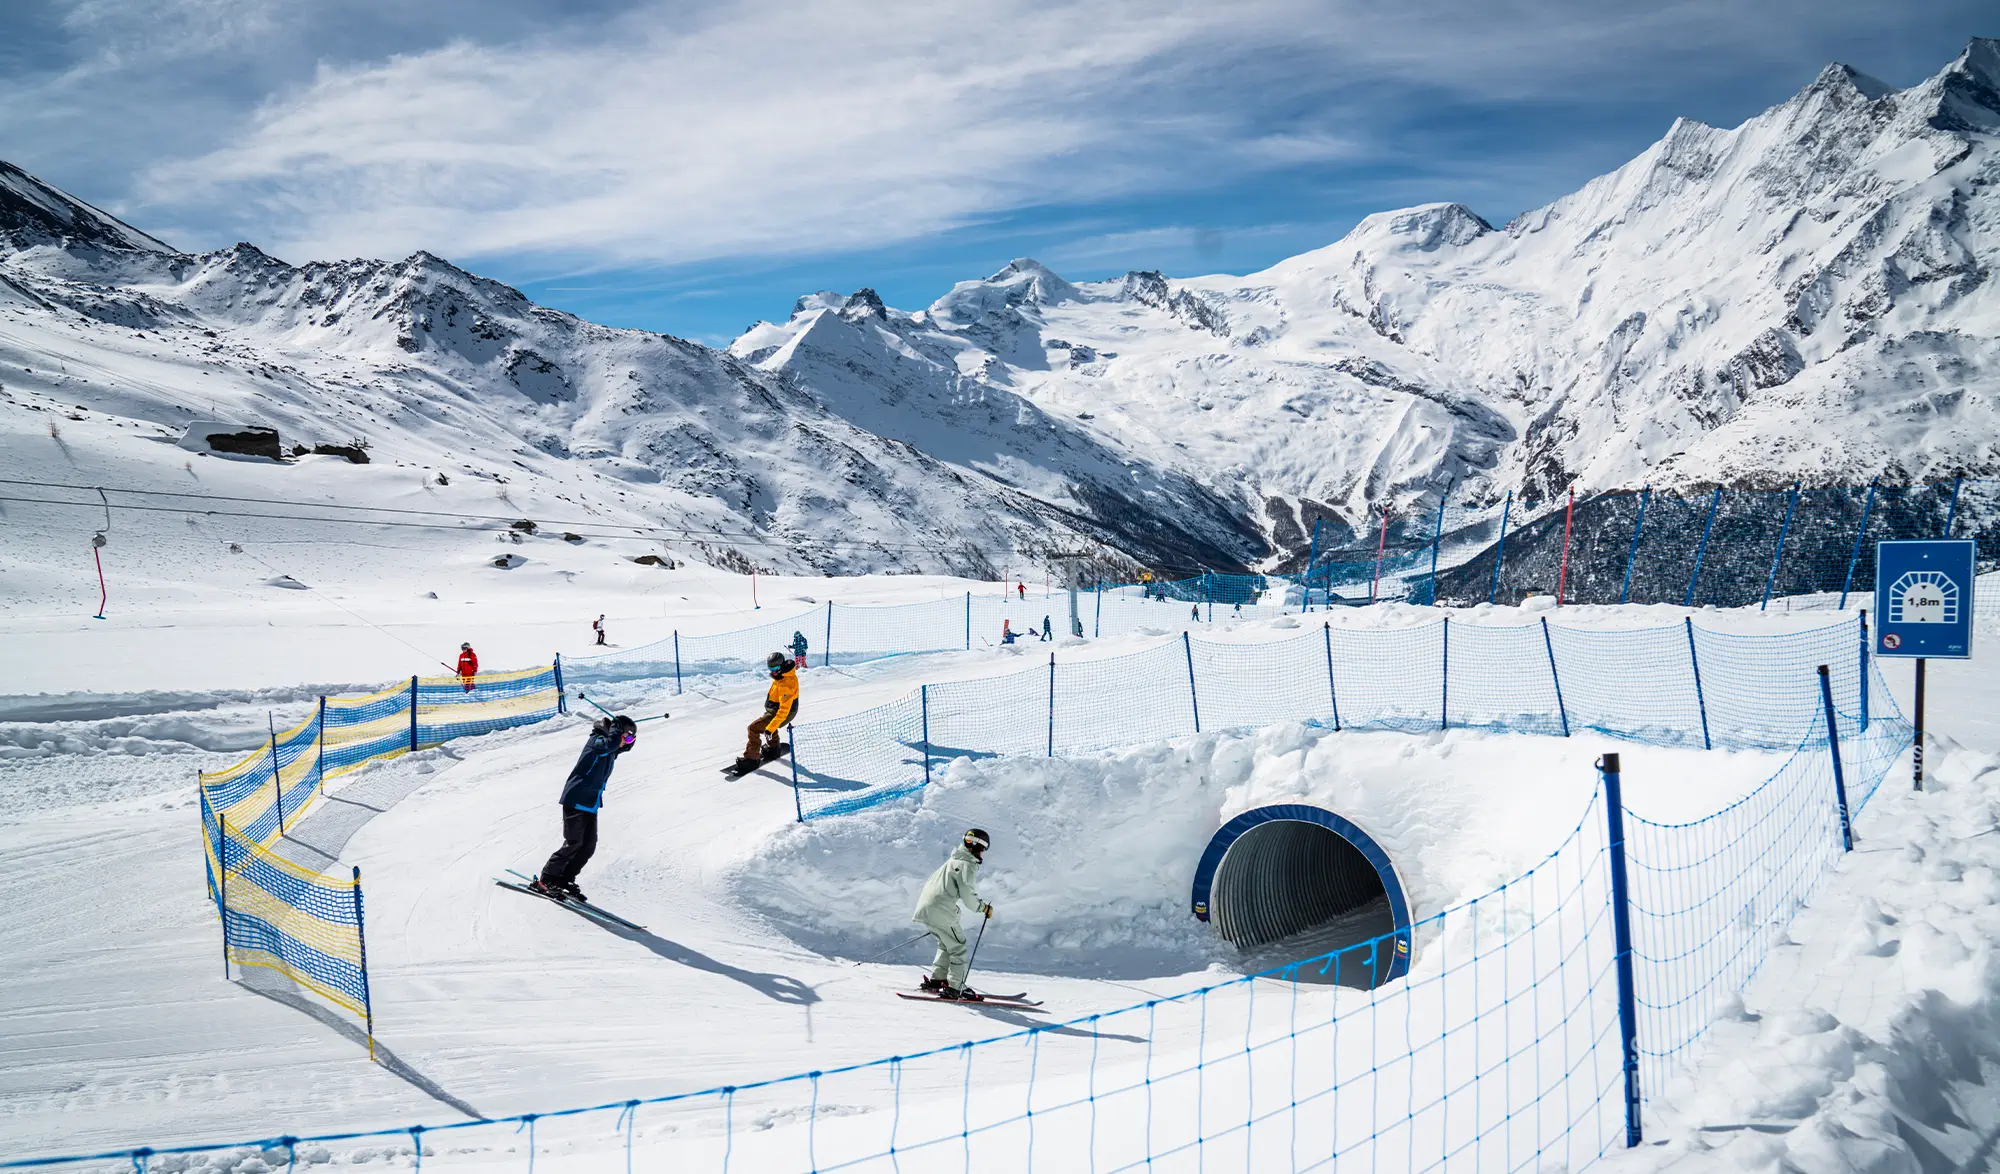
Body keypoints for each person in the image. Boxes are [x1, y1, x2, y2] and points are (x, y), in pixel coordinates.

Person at [533, 714, 637, 902]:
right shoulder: (596, 742)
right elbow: (610, 745)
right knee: (573, 842)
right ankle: (547, 878)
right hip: (576, 798)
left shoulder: (610, 750)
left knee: (588, 846)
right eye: (627, 737)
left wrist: (629, 740)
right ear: (616, 732)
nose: (628, 742)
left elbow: (618, 748)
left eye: (631, 739)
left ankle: (564, 879)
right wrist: (616, 728)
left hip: (590, 804)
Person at [912, 829, 993, 1000]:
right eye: (984, 849)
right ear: (978, 847)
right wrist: (983, 908)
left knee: (945, 944)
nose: (983, 853)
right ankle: (956, 988)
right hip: (941, 910)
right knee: (958, 947)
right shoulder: (967, 864)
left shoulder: (954, 859)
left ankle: (937, 979)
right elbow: (968, 897)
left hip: (926, 908)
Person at [735, 652, 800, 773]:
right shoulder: (783, 675)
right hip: (775, 709)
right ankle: (773, 749)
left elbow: (784, 710)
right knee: (769, 724)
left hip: (784, 711)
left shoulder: (786, 682)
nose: (773, 671)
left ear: (782, 666)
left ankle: (752, 760)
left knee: (754, 728)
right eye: (771, 668)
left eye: (775, 668)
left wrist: (770, 728)